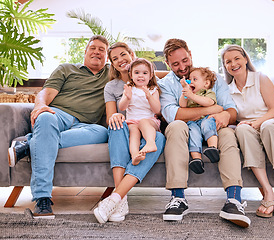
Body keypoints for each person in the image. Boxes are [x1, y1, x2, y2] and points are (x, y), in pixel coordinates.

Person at [7, 35, 110, 219]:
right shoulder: (66, 69)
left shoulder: (111, 74)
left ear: (107, 56)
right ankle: (43, 199)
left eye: (102, 49)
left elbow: (144, 71)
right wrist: (39, 106)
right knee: (45, 117)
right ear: (85, 52)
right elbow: (45, 93)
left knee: (103, 132)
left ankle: (29, 144)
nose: (96, 52)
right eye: (93, 48)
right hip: (58, 115)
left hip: (86, 125)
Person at [158, 38, 251, 228]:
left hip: (212, 128)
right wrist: (212, 109)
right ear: (168, 64)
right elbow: (173, 114)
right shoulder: (166, 84)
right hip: (185, 129)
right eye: (175, 64)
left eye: (185, 60)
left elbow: (231, 111)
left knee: (226, 133)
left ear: (190, 54)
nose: (182, 67)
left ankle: (233, 200)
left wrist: (224, 113)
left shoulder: (211, 78)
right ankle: (178, 199)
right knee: (175, 126)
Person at [93, 42, 165, 223]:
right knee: (116, 125)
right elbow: (113, 114)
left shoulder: (151, 83)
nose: (120, 60)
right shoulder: (113, 87)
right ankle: (121, 199)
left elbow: (157, 109)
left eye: (123, 54)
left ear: (131, 54)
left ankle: (115, 198)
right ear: (112, 64)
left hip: (148, 125)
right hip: (126, 125)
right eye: (115, 59)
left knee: (158, 138)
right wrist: (117, 114)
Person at [221, 44, 274, 218]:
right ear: (225, 66)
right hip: (253, 130)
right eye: (228, 61)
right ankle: (268, 192)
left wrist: (257, 123)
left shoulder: (260, 78)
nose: (233, 64)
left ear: (245, 59)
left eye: (237, 58)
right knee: (242, 131)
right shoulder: (227, 90)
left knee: (267, 127)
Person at [178, 67, 221, 174]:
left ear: (206, 83)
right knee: (193, 133)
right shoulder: (189, 94)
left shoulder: (207, 92)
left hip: (206, 118)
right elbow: (182, 105)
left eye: (195, 79)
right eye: (190, 79)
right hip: (193, 122)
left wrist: (192, 95)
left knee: (208, 124)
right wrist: (185, 91)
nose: (191, 82)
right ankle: (197, 159)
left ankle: (213, 148)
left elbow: (209, 103)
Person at [119, 58, 161, 165]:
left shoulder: (153, 90)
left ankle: (151, 143)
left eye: (145, 73)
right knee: (133, 133)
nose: (140, 75)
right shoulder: (129, 89)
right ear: (131, 75)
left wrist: (149, 97)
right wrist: (127, 98)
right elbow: (122, 107)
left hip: (149, 121)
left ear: (150, 75)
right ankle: (135, 156)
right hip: (133, 121)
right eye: (137, 73)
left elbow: (157, 110)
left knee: (143, 122)